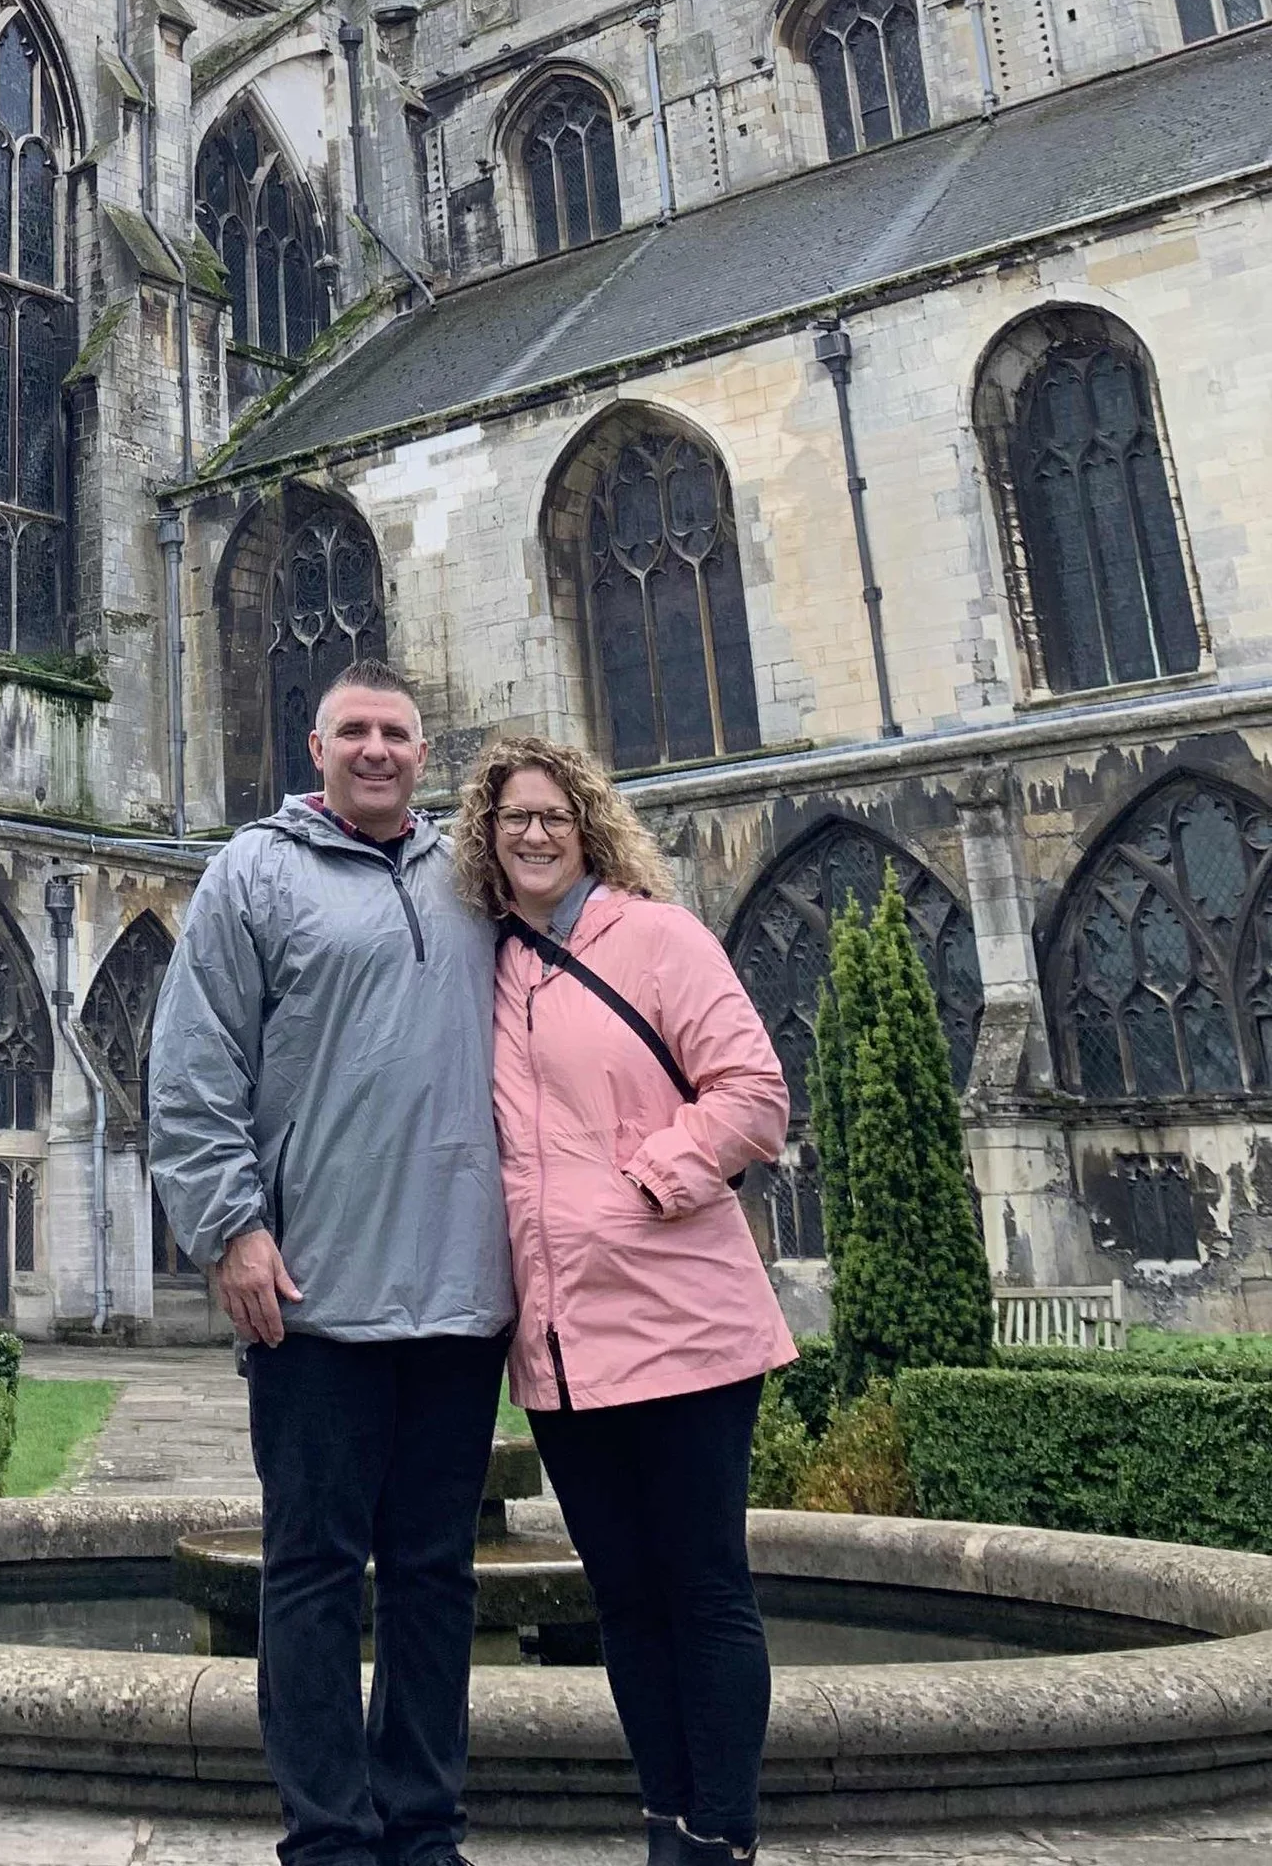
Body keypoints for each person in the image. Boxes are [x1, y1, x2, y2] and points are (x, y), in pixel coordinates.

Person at [149, 661, 513, 1866]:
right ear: (315, 748)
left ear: (424, 750)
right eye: (352, 730)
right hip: (312, 1298)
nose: (375, 749)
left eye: (397, 733)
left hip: (462, 1297)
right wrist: (229, 1231)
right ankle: (327, 1838)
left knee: (434, 1576)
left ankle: (421, 1828)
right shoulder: (253, 872)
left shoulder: (473, 872)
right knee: (310, 1572)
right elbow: (194, 1070)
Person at [460, 731, 798, 1866]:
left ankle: (723, 1833)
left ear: (588, 826)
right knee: (624, 1596)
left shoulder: (655, 937)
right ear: (487, 840)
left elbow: (752, 1093)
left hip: (685, 1323)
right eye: (514, 820)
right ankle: (667, 1820)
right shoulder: (490, 968)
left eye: (554, 815)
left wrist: (645, 1181)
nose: (536, 834)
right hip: (560, 1346)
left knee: (703, 1588)